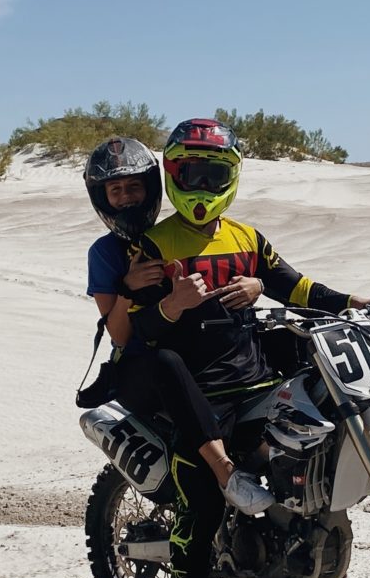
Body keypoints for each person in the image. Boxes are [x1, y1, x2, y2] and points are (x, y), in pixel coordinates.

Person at [125, 118, 370, 578]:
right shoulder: (153, 246)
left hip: (258, 382)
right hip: (193, 399)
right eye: (189, 173)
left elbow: (295, 287)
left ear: (231, 177)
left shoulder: (247, 237)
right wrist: (173, 302)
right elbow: (138, 330)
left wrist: (355, 300)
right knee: (199, 505)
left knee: (323, 469)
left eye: (212, 173)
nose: (200, 184)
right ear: (172, 175)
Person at [84, 136, 270, 508]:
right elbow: (119, 336)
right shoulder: (105, 253)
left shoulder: (179, 233)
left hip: (194, 354)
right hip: (143, 364)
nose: (126, 198)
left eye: (134, 187)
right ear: (102, 197)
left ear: (152, 188)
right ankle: (224, 472)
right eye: (115, 190)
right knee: (166, 362)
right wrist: (128, 288)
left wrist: (258, 282)